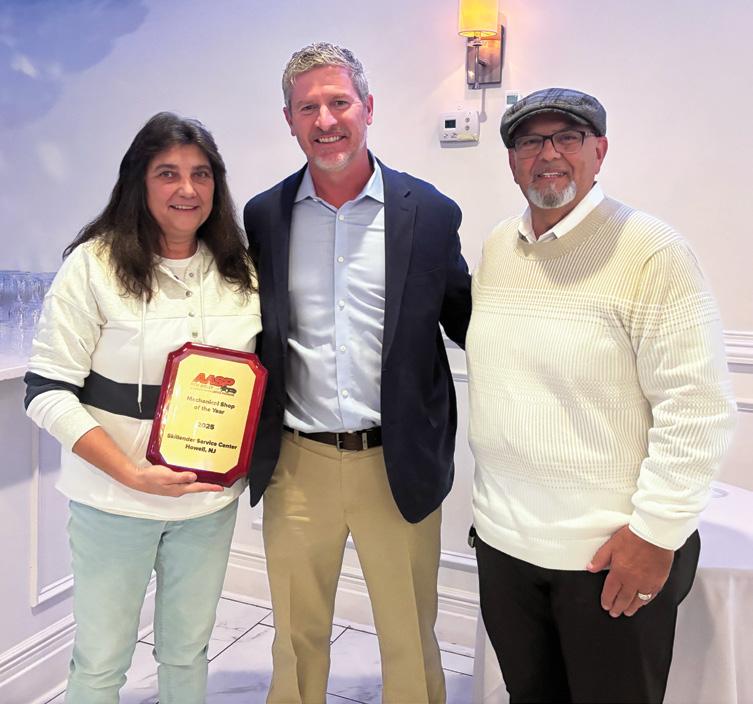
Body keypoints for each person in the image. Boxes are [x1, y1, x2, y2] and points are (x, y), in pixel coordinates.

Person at [466, 88, 737, 703]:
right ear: (512, 161)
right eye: (530, 142)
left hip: (609, 557)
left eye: (567, 137)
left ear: (600, 151)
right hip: (505, 547)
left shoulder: (652, 252)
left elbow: (696, 408)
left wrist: (656, 535)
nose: (548, 154)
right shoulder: (498, 248)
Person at [244, 42, 471, 704]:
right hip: (296, 464)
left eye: (338, 102)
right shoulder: (264, 216)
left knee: (408, 639)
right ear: (288, 120)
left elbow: (469, 322)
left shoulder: (429, 213)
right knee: (294, 638)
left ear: (367, 108)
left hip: (395, 463)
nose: (325, 120)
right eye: (307, 107)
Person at [24, 112, 260, 704]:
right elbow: (46, 389)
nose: (187, 189)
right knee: (102, 662)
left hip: (207, 504)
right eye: (168, 173)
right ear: (139, 181)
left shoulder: (240, 271)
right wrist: (130, 473)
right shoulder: (94, 266)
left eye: (201, 174)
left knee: (187, 652)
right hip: (113, 502)